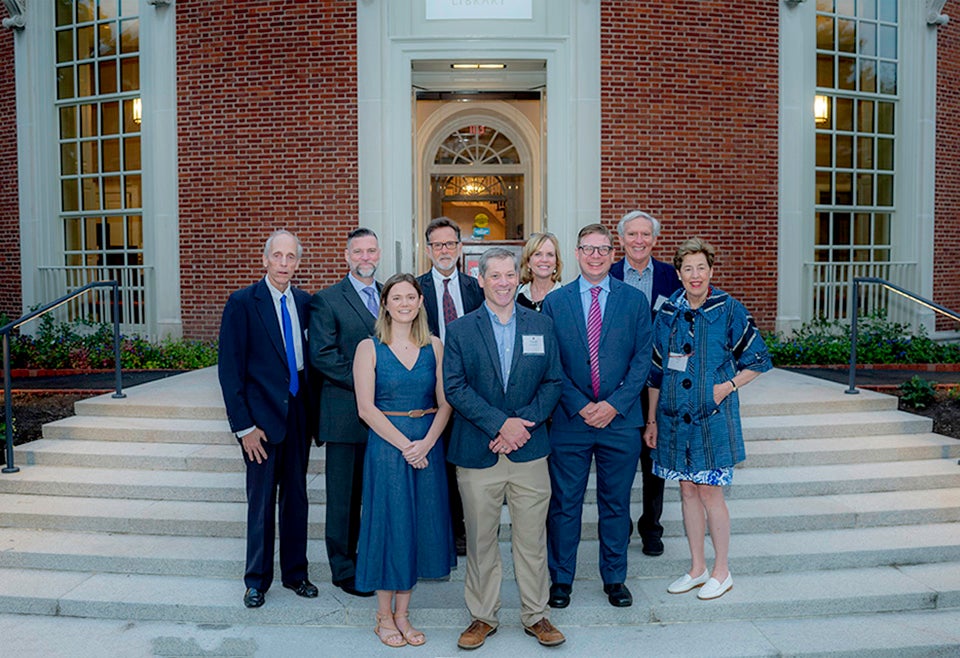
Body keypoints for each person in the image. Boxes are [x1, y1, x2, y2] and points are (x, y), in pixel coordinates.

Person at [444, 247, 566, 650]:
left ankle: (536, 615)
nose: (502, 282)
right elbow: (455, 387)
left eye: (509, 275)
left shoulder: (541, 324)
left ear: (519, 277)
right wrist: (501, 424)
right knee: (480, 541)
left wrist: (521, 425)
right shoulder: (461, 330)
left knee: (532, 540)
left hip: (529, 451)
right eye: (493, 275)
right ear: (480, 279)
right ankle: (483, 617)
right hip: (478, 451)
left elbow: (553, 382)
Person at [644, 237, 772, 601]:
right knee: (686, 491)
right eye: (688, 269)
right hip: (672, 420)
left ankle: (721, 570)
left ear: (711, 271)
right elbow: (656, 370)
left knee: (710, 493)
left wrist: (726, 386)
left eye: (701, 267)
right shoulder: (667, 311)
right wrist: (651, 421)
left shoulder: (729, 310)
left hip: (711, 419)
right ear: (679, 274)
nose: (695, 275)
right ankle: (697, 568)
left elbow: (759, 360)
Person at [541, 223, 652, 609]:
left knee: (616, 504)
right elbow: (551, 363)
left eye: (603, 249)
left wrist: (614, 404)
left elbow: (642, 361)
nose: (595, 255)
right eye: (588, 248)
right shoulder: (556, 302)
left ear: (612, 253)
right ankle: (561, 580)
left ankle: (615, 578)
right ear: (576, 253)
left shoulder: (635, 301)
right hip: (571, 420)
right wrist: (581, 404)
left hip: (620, 422)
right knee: (565, 503)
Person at [353, 273, 455, 648]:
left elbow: (446, 402)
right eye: (397, 297)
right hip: (388, 448)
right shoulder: (369, 347)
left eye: (411, 297)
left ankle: (403, 615)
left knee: (418, 526)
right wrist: (405, 446)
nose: (404, 303)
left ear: (420, 302)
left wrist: (426, 443)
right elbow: (366, 408)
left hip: (428, 446)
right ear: (385, 304)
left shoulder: (436, 346)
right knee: (389, 527)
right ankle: (383, 616)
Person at [217, 230, 318, 608]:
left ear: (297, 263)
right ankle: (256, 580)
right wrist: (244, 428)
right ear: (265, 260)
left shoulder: (306, 303)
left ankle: (296, 574)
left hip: (298, 417)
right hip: (259, 424)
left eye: (291, 257)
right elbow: (230, 371)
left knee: (297, 499)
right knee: (261, 502)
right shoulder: (243, 303)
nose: (284, 264)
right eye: (277, 256)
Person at [308, 227, 382, 598]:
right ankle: (343, 568)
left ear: (379, 254)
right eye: (358, 252)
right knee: (344, 499)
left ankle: (371, 558)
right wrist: (369, 385)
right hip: (344, 416)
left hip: (387, 419)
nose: (365, 258)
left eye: (371, 251)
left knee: (376, 494)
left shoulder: (390, 295)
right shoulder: (327, 300)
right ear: (347, 256)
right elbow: (323, 356)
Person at [610, 210, 682, 557]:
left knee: (654, 462)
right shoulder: (607, 275)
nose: (639, 241)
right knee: (621, 462)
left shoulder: (672, 278)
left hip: (659, 383)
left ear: (655, 239)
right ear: (620, 239)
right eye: (632, 235)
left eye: (645, 235)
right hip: (618, 386)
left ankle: (651, 527)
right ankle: (619, 526)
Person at [416, 216, 484, 556]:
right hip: (430, 393)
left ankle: (467, 532)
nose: (444, 250)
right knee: (439, 465)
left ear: (460, 248)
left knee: (467, 463)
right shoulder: (414, 290)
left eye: (450, 244)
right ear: (428, 250)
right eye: (437, 245)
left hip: (473, 392)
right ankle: (443, 532)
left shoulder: (477, 288)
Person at [516, 232, 564, 312]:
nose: (544, 260)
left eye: (550, 254)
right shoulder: (515, 295)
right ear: (528, 262)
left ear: (556, 262)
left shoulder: (566, 298)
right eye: (538, 254)